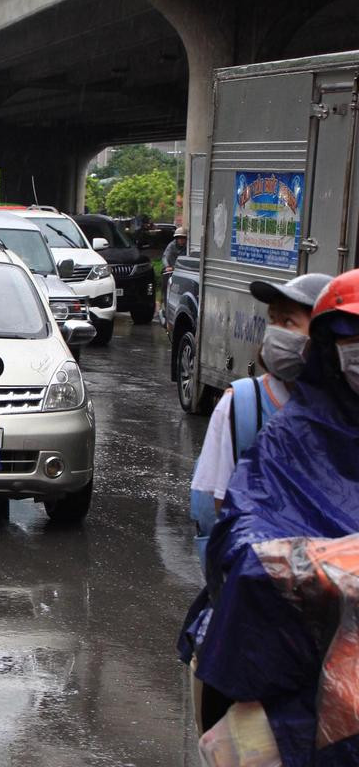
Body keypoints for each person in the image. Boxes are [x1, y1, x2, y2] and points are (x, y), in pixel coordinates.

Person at [180, 269, 359, 766]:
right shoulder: (285, 432)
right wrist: (308, 564)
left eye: (289, 320)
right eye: (349, 338)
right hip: (290, 653)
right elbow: (227, 525)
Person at [188, 273, 332, 569]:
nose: (275, 333)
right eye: (273, 321)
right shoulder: (241, 405)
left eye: (289, 322)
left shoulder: (345, 414)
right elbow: (212, 510)